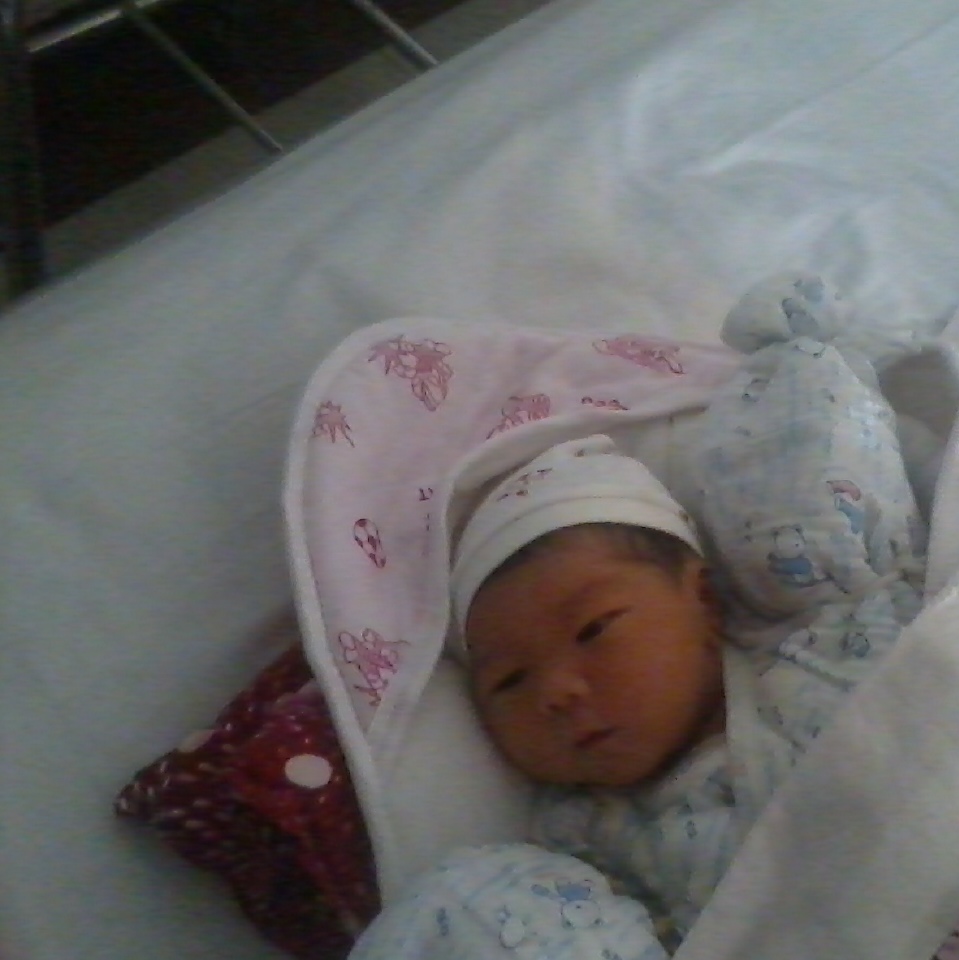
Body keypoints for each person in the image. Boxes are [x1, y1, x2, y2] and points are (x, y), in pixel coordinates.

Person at [349, 274, 927, 960]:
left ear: (704, 599)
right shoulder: (586, 846)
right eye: (508, 682)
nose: (555, 691)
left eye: (593, 629)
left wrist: (800, 358)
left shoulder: (832, 642)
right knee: (466, 907)